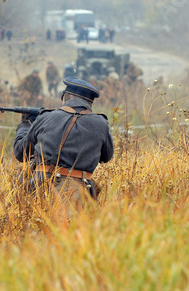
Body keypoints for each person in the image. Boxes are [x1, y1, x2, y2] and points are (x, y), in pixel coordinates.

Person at [13, 77, 114, 213]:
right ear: (90, 104)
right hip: (79, 193)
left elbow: (21, 153)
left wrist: (24, 126)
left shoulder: (45, 118)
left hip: (40, 188)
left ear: (65, 97)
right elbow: (107, 157)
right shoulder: (101, 124)